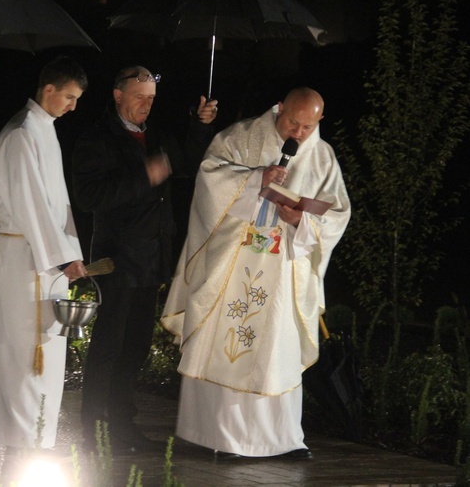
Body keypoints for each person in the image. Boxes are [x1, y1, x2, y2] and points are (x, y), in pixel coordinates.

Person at [161, 87, 351, 459]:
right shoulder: (239, 137)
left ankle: (280, 439)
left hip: (283, 270)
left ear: (319, 121)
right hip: (235, 262)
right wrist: (255, 181)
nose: (298, 132)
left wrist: (302, 221)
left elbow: (338, 214)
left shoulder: (323, 158)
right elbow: (209, 180)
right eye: (293, 122)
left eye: (307, 126)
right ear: (279, 107)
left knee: (276, 352)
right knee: (228, 345)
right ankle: (219, 437)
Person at [72, 65, 218, 453]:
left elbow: (188, 161)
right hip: (117, 258)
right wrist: (145, 176)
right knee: (109, 346)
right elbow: (89, 197)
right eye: (139, 98)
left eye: (151, 99)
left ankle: (122, 427)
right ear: (118, 95)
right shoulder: (97, 139)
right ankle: (93, 433)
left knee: (136, 345)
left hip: (152, 256)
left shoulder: (155, 134)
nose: (146, 106)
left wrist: (199, 125)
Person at [0, 56, 88, 462]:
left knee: (43, 356)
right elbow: (31, 207)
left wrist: (71, 255)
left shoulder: (45, 130)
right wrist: (64, 258)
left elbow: (57, 203)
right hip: (22, 259)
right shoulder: (23, 134)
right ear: (48, 90)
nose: (73, 106)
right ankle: (19, 445)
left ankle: (35, 438)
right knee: (22, 353)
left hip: (43, 258)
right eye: (69, 97)